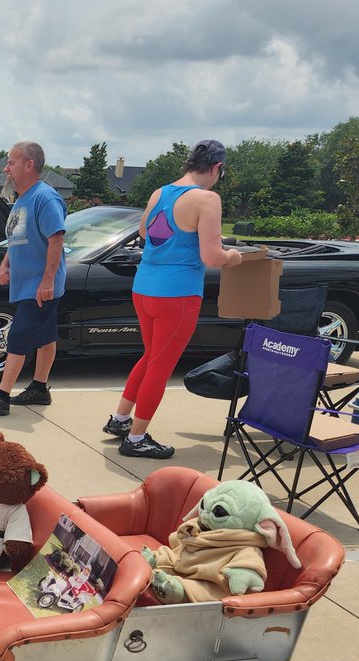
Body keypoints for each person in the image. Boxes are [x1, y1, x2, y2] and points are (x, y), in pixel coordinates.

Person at [104, 139, 243, 458]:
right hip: (177, 294)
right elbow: (212, 258)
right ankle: (136, 439)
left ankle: (121, 419)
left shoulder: (161, 193)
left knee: (150, 356)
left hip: (144, 288)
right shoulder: (207, 199)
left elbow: (144, 232)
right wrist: (233, 256)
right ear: (217, 168)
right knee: (161, 366)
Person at [0, 142, 67, 415]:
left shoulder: (44, 198)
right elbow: (16, 239)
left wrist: (47, 281)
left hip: (39, 286)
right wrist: (5, 264)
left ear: (29, 165)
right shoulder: (22, 199)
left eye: (11, 163)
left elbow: (56, 240)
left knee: (18, 338)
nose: (6, 168)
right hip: (27, 283)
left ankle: (1, 396)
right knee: (46, 337)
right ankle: (39, 388)